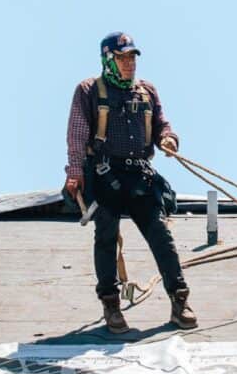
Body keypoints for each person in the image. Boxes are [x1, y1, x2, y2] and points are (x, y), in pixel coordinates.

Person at [63, 32, 196, 334]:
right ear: (109, 60)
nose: (129, 63)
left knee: (161, 235)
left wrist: (168, 139)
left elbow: (162, 123)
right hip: (104, 174)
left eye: (132, 57)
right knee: (107, 233)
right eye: (122, 58)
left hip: (140, 176)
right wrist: (75, 173)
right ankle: (111, 304)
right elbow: (77, 134)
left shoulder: (147, 91)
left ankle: (180, 300)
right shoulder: (89, 91)